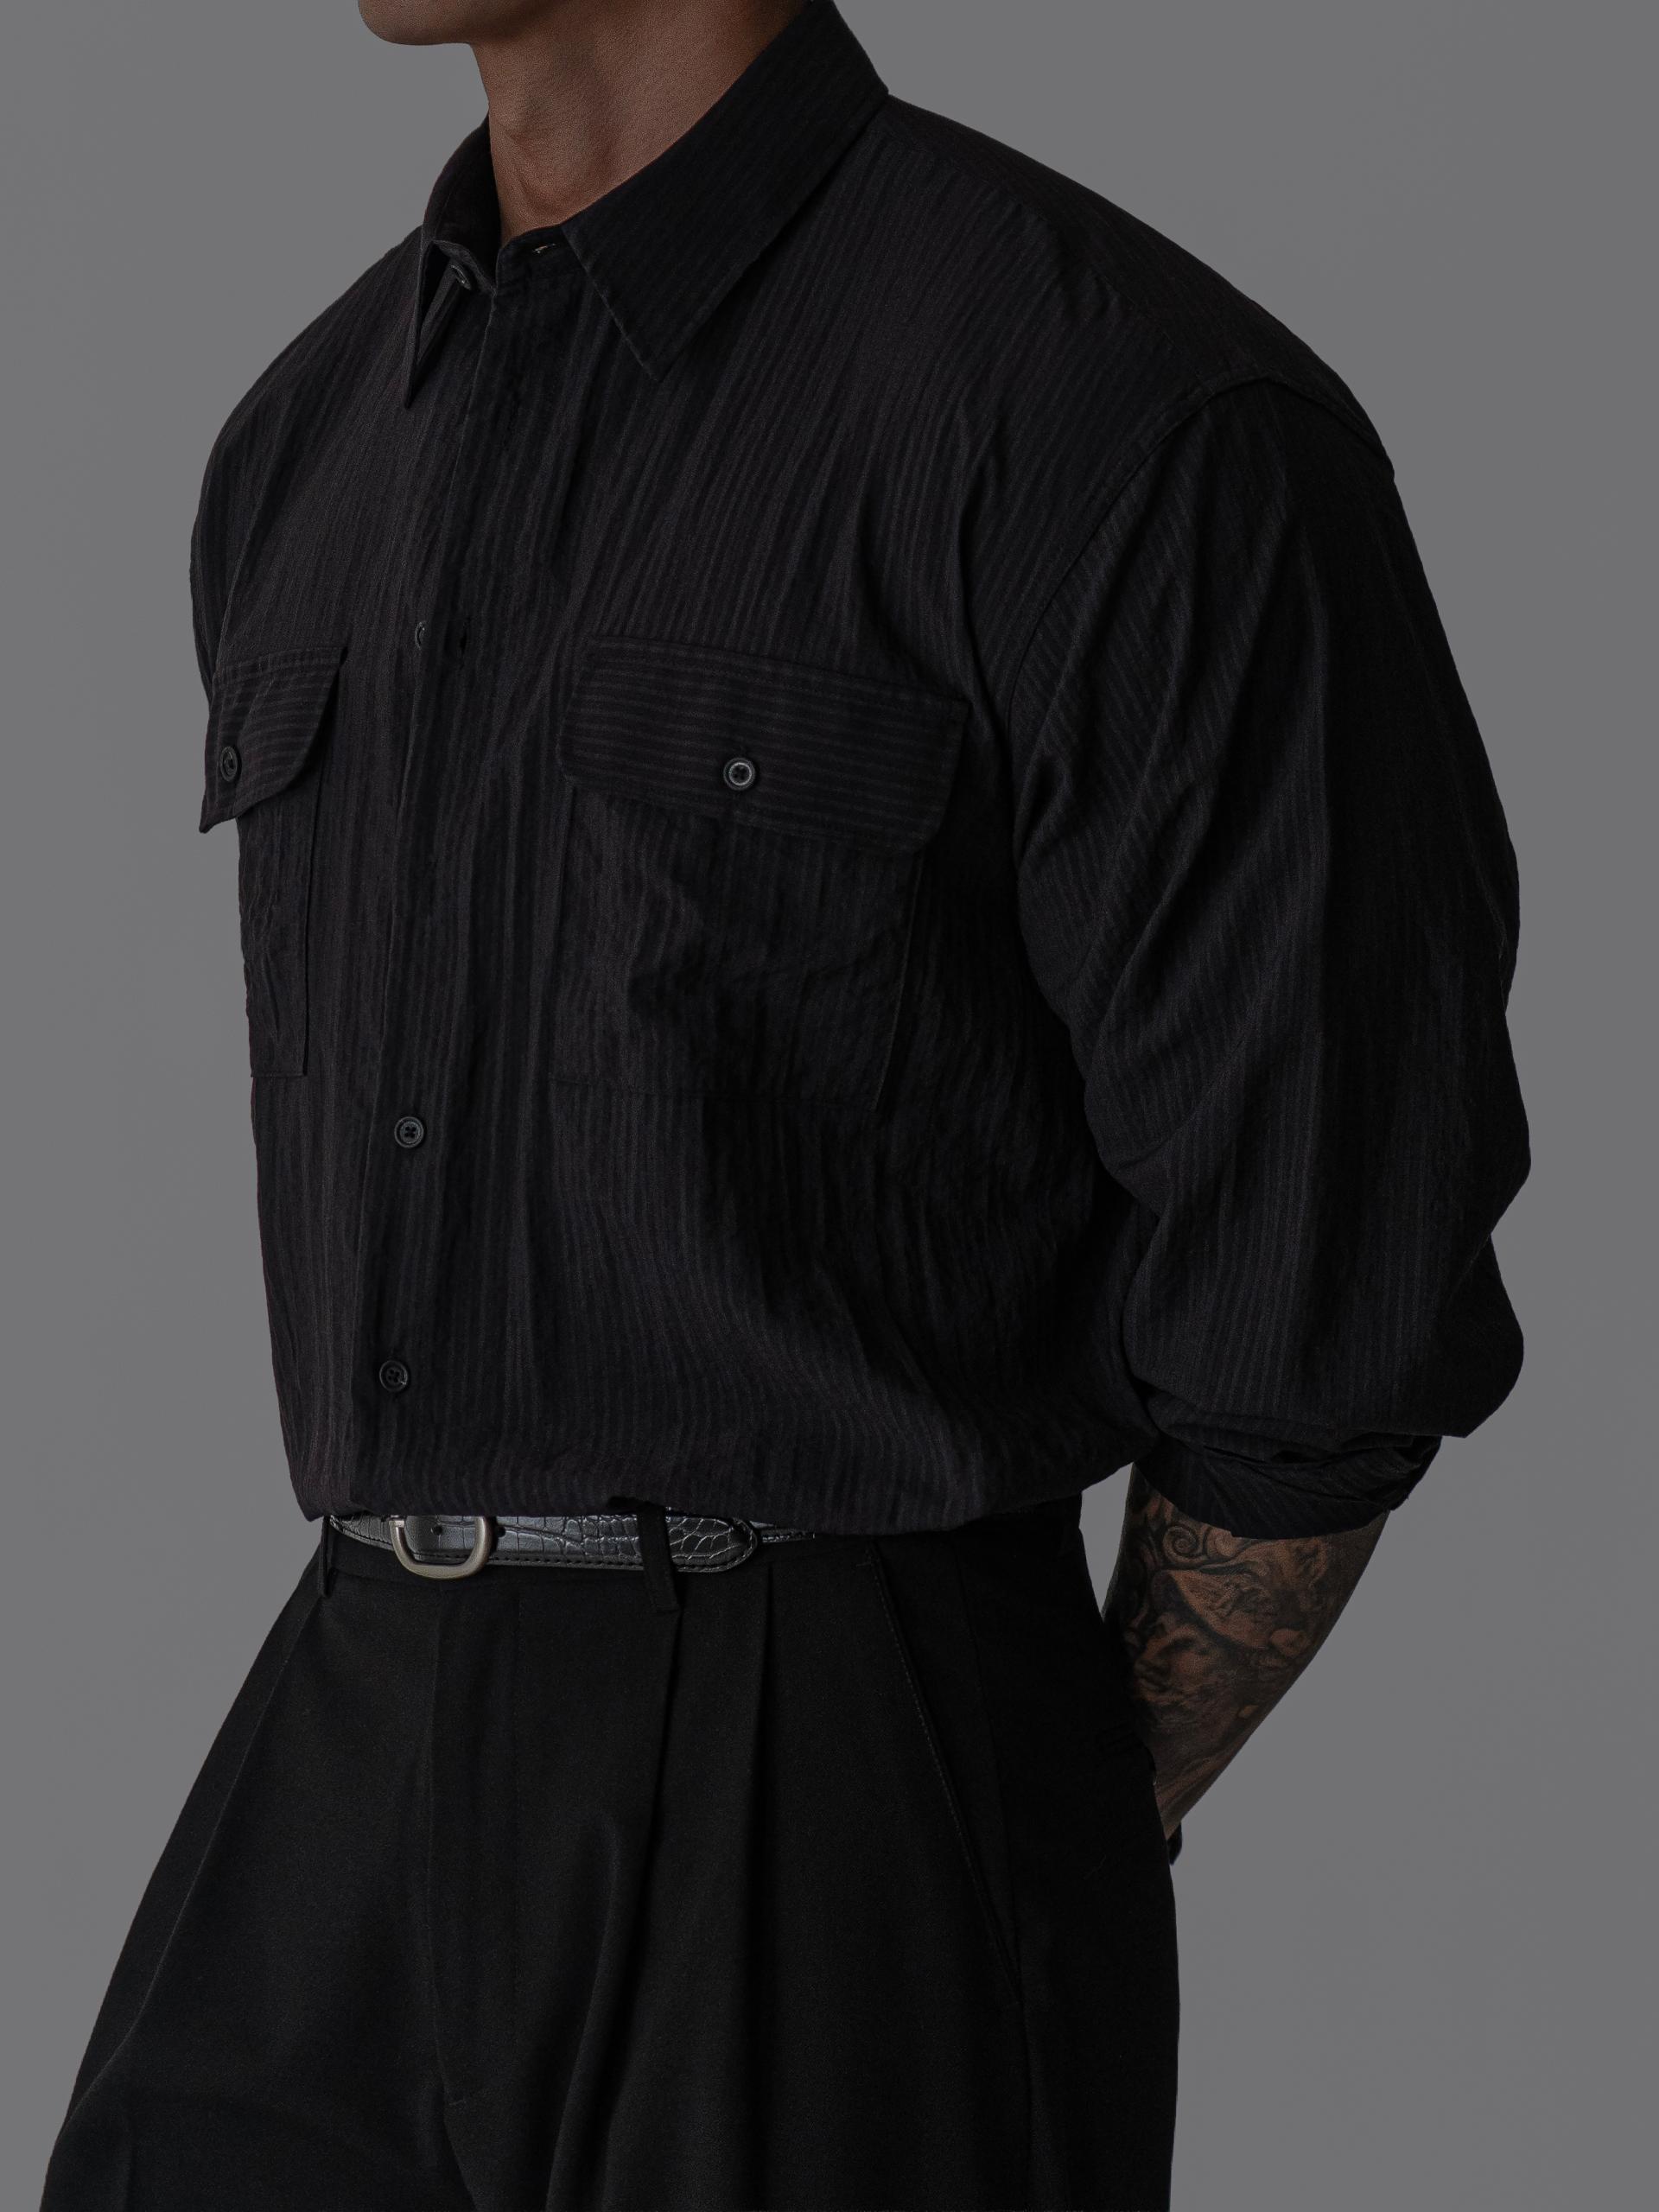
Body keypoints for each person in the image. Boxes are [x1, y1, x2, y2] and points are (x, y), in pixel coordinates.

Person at [40, 2, 1528, 2206]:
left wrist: (993, 1816)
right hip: (353, 1712)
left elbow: (1328, 1281)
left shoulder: (1118, 409)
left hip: (846, 1756)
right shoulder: (313, 435)